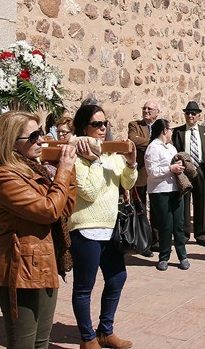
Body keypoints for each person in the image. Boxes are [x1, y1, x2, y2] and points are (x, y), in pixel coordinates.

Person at [0, 111, 76, 348]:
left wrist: (68, 168)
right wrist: (63, 170)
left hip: (45, 260)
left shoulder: (36, 169)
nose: (41, 140)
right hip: (21, 268)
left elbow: (65, 207)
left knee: (42, 342)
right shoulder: (4, 176)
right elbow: (48, 211)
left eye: (41, 133)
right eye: (33, 136)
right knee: (23, 344)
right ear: (12, 142)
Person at [70, 104, 137, 349]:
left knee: (117, 278)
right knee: (84, 287)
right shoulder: (76, 154)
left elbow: (127, 184)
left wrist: (130, 164)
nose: (102, 128)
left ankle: (105, 331)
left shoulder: (111, 153)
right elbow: (87, 192)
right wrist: (95, 163)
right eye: (96, 124)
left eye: (104, 123)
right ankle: (87, 338)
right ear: (83, 127)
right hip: (86, 228)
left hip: (110, 228)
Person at [145, 119, 190, 271]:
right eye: (170, 129)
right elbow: (152, 172)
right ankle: (164, 257)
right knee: (165, 225)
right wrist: (171, 168)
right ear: (164, 130)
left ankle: (183, 256)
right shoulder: (153, 148)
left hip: (176, 190)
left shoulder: (171, 147)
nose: (172, 132)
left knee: (179, 224)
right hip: (160, 191)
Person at [172, 101, 205, 247]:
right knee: (184, 203)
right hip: (184, 170)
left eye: (193, 113)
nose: (190, 116)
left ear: (198, 116)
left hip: (201, 169)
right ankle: (184, 234)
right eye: (187, 113)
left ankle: (201, 234)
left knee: (201, 202)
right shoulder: (178, 132)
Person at [127, 100, 160, 256]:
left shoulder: (161, 125)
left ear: (157, 112)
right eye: (144, 107)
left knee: (156, 208)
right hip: (140, 174)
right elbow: (134, 140)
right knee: (141, 209)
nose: (146, 110)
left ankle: (156, 240)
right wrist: (156, 143)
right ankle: (143, 243)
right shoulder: (134, 125)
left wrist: (148, 143)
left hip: (157, 175)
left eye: (150, 108)